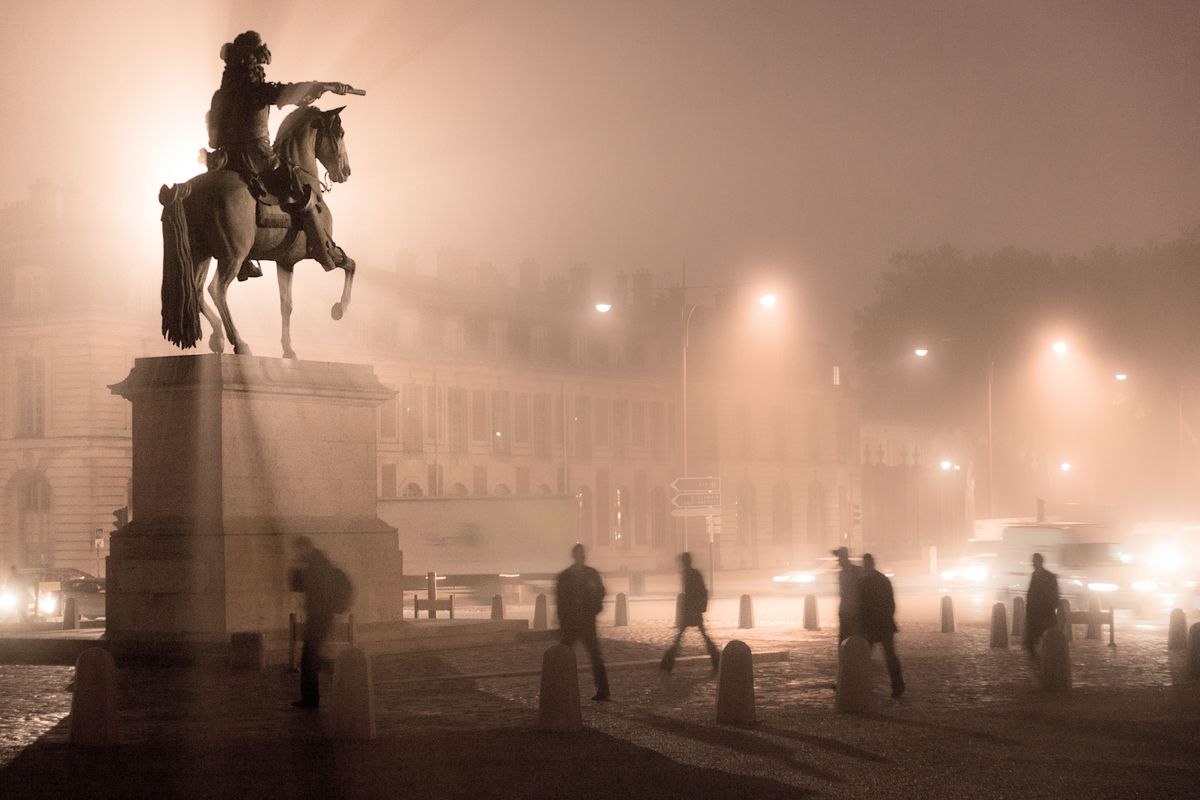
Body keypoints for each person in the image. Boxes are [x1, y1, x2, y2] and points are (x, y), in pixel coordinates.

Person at [206, 30, 357, 279]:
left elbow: (213, 136)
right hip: (257, 156)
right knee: (299, 188)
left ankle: (242, 261)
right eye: (257, 61)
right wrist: (326, 86)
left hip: (225, 160)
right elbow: (289, 92)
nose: (261, 67)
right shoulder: (254, 90)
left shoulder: (221, 95)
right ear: (251, 62)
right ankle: (323, 249)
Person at [288, 536, 339, 709]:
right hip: (319, 616)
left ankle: (311, 699)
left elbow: (299, 586)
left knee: (308, 658)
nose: (297, 554)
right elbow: (297, 586)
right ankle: (311, 698)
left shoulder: (317, 565)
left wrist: (298, 568)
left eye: (298, 550)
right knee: (309, 657)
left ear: (305, 548)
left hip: (320, 617)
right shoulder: (316, 563)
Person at [555, 543, 610, 701]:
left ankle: (602, 689)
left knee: (593, 656)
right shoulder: (578, 575)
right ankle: (560, 687)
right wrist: (562, 619)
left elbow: (600, 592)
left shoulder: (572, 575)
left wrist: (594, 609)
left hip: (584, 620)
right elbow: (561, 600)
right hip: (574, 622)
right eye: (580, 554)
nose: (581, 557)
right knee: (567, 655)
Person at [659, 552, 721, 673]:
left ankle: (668, 662)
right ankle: (716, 658)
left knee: (681, 637)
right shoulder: (693, 573)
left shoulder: (688, 574)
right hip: (694, 610)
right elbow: (701, 591)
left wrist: (687, 609)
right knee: (702, 636)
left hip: (691, 611)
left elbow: (691, 594)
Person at [857, 553, 905, 698]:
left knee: (865, 657)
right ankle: (898, 686)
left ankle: (861, 686)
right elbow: (890, 603)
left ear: (867, 565)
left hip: (871, 625)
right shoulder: (883, 580)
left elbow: (860, 605)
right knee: (890, 656)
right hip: (884, 624)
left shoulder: (862, 582)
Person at [1023, 552, 1060, 655]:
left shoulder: (1049, 576)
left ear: (1039, 562)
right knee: (1035, 634)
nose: (1033, 564)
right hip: (1036, 610)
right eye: (1033, 562)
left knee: (1045, 634)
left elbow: (1053, 594)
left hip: (1044, 610)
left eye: (1034, 562)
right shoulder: (1035, 575)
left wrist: (1052, 606)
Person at [833, 546, 862, 644]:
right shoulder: (841, 574)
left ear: (844, 558)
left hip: (854, 612)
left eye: (840, 558)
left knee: (854, 639)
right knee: (844, 640)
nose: (838, 561)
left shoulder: (856, 571)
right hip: (844, 611)